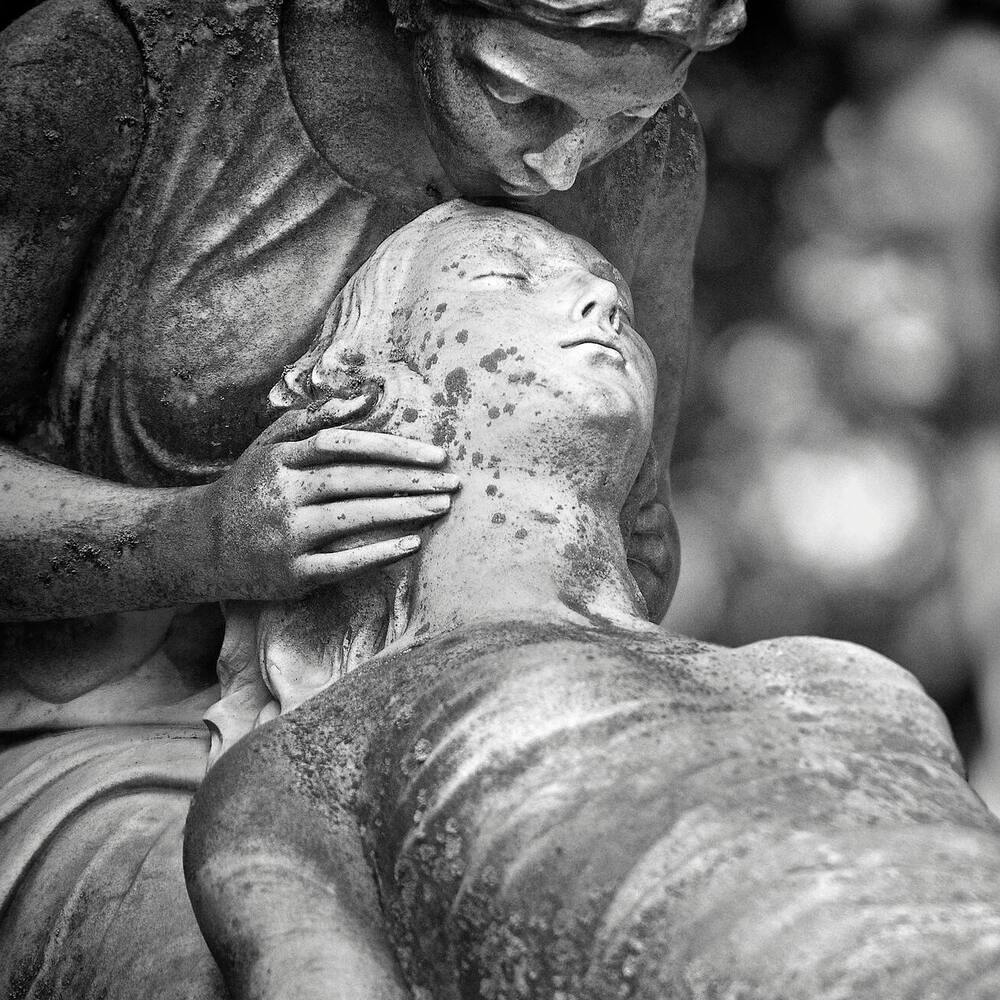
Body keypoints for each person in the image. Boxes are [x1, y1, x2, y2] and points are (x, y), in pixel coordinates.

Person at [0, 1, 740, 992]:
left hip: (459, 737)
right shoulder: (114, 67)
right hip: (103, 731)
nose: (563, 166)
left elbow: (636, 530)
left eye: (631, 117)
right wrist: (190, 539)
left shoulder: (647, 165)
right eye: (515, 91)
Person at [185, 202, 1000, 1000]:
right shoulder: (313, 759)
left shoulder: (821, 669)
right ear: (361, 387)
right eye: (505, 278)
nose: (604, 298)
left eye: (620, 298)